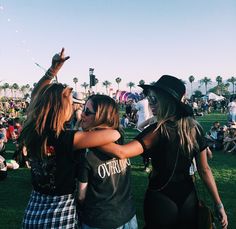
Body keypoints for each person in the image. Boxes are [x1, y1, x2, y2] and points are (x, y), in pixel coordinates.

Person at [100, 75, 228, 229]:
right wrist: (219, 204)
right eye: (149, 99)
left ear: (167, 101)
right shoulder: (194, 128)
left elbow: (121, 152)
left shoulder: (157, 131)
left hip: (161, 195)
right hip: (188, 195)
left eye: (154, 99)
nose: (150, 104)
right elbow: (204, 170)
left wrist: (84, 136)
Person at [20, 48, 120, 229]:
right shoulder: (68, 139)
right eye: (70, 103)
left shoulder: (33, 130)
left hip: (34, 208)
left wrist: (52, 71)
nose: (74, 106)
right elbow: (114, 134)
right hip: (59, 211)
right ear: (60, 108)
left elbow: (36, 96)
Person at [78, 94, 138, 229]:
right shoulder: (119, 139)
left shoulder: (87, 151)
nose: (82, 115)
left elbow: (81, 195)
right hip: (128, 217)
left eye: (87, 112)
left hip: (100, 221)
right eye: (83, 109)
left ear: (101, 116)